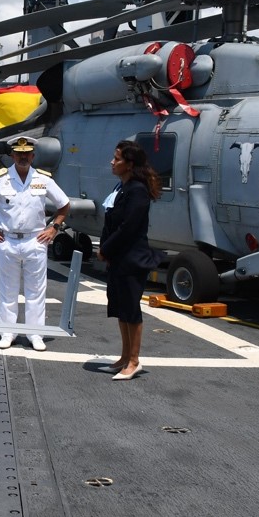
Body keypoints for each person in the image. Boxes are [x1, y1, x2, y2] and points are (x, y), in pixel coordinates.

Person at [0, 136, 69, 351]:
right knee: (8, 290)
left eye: (27, 154)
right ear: (12, 155)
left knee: (36, 290)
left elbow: (64, 204)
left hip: (35, 240)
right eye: (19, 153)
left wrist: (54, 228)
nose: (23, 157)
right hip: (7, 240)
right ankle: (8, 333)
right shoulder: (0, 179)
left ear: (33, 155)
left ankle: (36, 334)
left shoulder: (43, 178)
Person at [98, 140, 161, 381]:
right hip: (118, 258)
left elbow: (128, 227)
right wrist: (107, 250)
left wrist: (105, 249)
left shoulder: (137, 190)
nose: (112, 162)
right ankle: (124, 357)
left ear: (130, 164)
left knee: (131, 309)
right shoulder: (121, 187)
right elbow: (111, 221)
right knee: (121, 308)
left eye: (117, 159)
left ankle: (134, 360)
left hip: (132, 258)